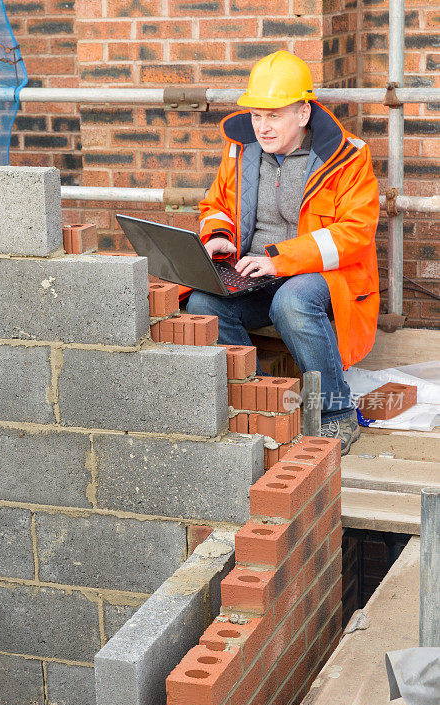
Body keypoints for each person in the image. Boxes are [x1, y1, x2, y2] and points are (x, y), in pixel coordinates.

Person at [186, 50, 380, 455]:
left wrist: (279, 260)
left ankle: (336, 415)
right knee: (204, 302)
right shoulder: (241, 150)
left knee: (291, 302)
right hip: (256, 272)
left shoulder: (347, 158)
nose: (262, 126)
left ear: (303, 114)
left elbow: (354, 235)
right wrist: (219, 236)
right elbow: (215, 205)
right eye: (257, 115)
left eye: (274, 115)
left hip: (325, 278)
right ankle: (266, 406)